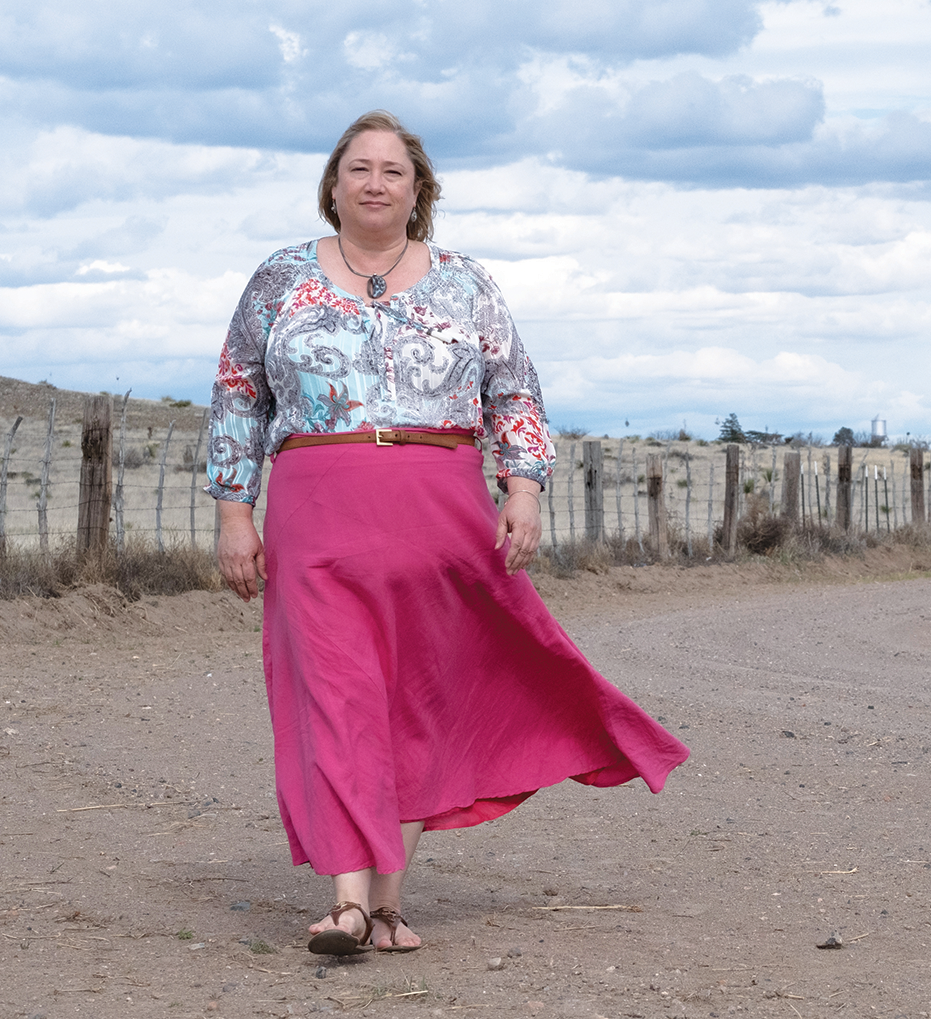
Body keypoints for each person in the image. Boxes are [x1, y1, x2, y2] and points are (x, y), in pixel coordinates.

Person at [205, 110, 689, 956]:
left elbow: (516, 393)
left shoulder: (466, 282)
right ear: (332, 184)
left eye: (394, 170)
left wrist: (524, 487)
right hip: (317, 506)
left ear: (419, 189)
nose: (376, 182)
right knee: (334, 693)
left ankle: (386, 904)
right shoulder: (279, 279)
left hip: (440, 506)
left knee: (421, 699)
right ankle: (348, 902)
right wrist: (234, 509)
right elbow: (239, 395)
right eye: (359, 168)